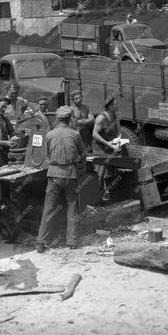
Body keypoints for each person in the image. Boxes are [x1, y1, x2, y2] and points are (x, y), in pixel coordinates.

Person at [36, 106, 86, 252]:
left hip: (53, 174)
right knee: (72, 207)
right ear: (70, 118)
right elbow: (83, 154)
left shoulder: (50, 134)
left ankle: (41, 242)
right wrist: (80, 168)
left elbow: (46, 155)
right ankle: (72, 242)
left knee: (49, 208)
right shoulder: (75, 134)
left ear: (57, 119)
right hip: (70, 174)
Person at [92, 95, 122, 202]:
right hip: (100, 149)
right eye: (115, 104)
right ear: (109, 106)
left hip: (111, 147)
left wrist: (118, 142)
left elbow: (118, 131)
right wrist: (110, 145)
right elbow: (95, 134)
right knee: (100, 174)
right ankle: (97, 199)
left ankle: (109, 195)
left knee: (112, 172)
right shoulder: (101, 118)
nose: (117, 105)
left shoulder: (115, 115)